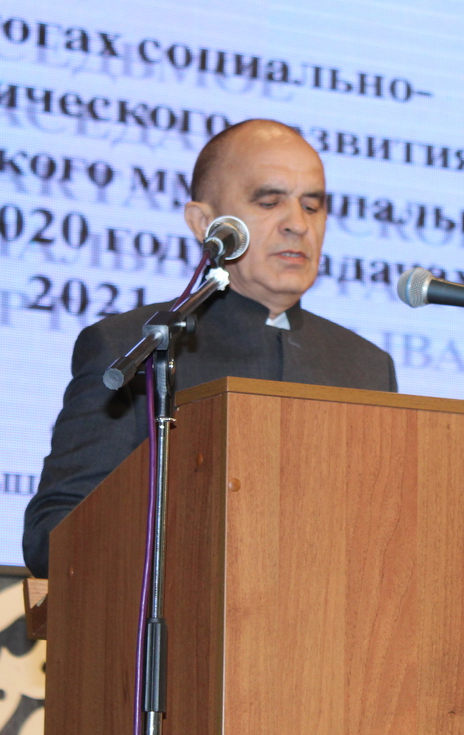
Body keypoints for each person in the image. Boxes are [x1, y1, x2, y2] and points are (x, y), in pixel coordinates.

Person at [22, 119, 397, 577]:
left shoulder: (365, 366)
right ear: (204, 223)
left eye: (312, 206)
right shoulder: (135, 347)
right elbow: (52, 539)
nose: (298, 225)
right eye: (269, 202)